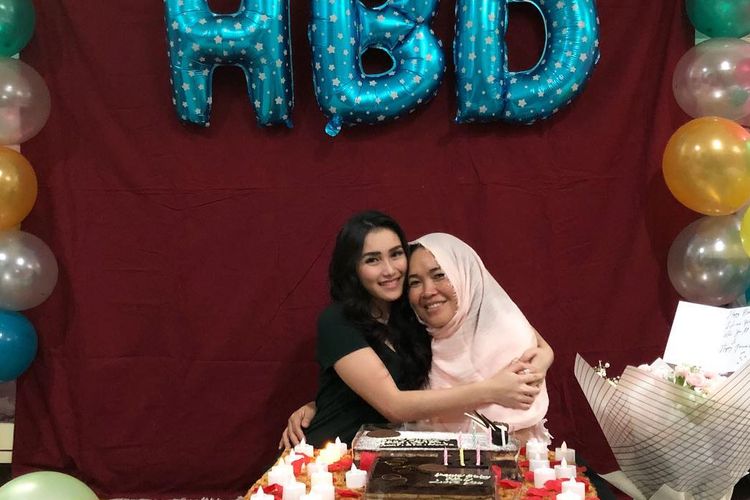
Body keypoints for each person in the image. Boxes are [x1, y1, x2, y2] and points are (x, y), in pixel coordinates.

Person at [281, 213, 547, 448]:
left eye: (396, 254)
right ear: (353, 269)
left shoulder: (415, 313)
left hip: (389, 460)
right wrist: (492, 390)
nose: (389, 270)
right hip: (330, 456)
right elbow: (394, 405)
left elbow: (528, 336)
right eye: (373, 260)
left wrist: (545, 357)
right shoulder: (337, 321)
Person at [407, 232, 552, 440]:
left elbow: (518, 437)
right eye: (414, 282)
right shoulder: (411, 336)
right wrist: (491, 390)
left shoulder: (507, 333)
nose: (428, 291)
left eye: (439, 275)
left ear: (465, 274)